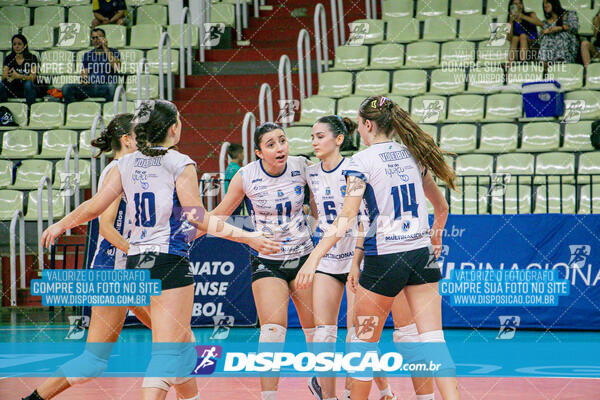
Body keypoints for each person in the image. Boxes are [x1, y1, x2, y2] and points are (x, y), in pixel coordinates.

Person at [41, 100, 279, 400]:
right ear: (172, 128)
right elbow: (199, 218)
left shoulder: (125, 164)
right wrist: (249, 237)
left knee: (179, 348)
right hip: (169, 262)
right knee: (167, 354)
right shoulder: (180, 162)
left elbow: (94, 206)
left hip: (135, 263)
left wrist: (61, 224)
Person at [296, 96, 459, 400]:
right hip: (421, 257)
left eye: (358, 124)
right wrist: (435, 237)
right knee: (434, 341)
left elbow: (346, 218)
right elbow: (442, 206)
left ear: (368, 125)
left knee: (362, 346)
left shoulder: (361, 162)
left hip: (385, 261)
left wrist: (313, 257)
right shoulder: (413, 155)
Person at [21, 114, 157, 400]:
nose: (144, 140)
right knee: (176, 338)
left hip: (119, 272)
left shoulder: (129, 169)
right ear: (127, 140)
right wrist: (136, 252)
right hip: (114, 271)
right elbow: (106, 226)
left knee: (94, 362)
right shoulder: (119, 168)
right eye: (140, 135)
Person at [207, 122, 316, 400]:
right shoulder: (245, 176)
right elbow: (217, 217)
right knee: (271, 332)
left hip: (303, 256)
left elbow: (318, 205)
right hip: (268, 261)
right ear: (258, 152)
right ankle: (268, 397)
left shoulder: (301, 166)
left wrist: (314, 234)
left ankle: (321, 387)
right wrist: (247, 237)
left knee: (316, 332)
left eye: (282, 141)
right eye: (271, 144)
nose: (279, 148)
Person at [62, 28, 120, 104]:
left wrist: (105, 48)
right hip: (90, 87)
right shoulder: (87, 55)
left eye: (98, 37)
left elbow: (117, 68)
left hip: (105, 86)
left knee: (112, 87)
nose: (96, 40)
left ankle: (107, 111)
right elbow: (84, 72)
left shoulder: (114, 52)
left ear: (104, 39)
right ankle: (75, 109)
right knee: (67, 88)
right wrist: (84, 79)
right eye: (94, 38)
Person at [0, 34, 40, 106]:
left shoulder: (32, 58)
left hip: (28, 89)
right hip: (14, 88)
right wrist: (8, 76)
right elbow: (3, 77)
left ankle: (30, 109)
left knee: (28, 84)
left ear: (25, 45)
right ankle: (3, 109)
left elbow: (33, 77)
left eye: (19, 44)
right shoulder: (9, 58)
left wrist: (18, 76)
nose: (17, 46)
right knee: (0, 84)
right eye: (14, 44)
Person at [538, 0, 579, 64]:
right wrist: (544, 32)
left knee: (561, 35)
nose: (545, 5)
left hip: (568, 43)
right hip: (551, 46)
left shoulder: (569, 14)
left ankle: (560, 60)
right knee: (546, 37)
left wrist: (560, 28)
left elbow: (575, 27)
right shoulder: (545, 22)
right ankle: (544, 63)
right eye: (543, 4)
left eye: (547, 2)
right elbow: (540, 36)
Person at [507, 0, 541, 66]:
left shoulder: (530, 14)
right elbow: (509, 38)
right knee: (515, 38)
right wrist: (511, 21)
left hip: (532, 43)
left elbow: (540, 23)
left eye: (520, 3)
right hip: (518, 47)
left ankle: (523, 63)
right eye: (515, 4)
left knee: (522, 36)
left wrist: (523, 16)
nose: (518, 5)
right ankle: (510, 64)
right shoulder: (510, 19)